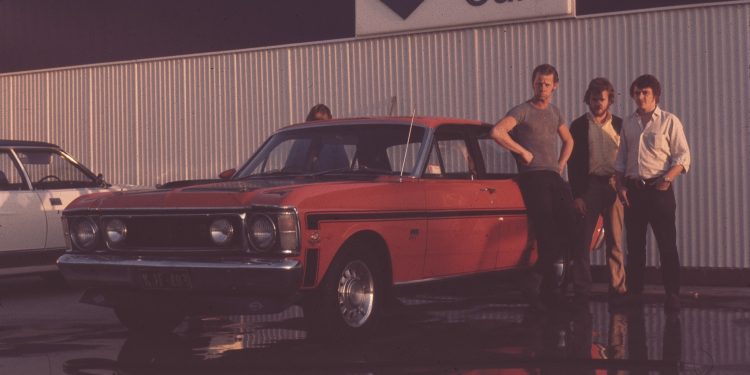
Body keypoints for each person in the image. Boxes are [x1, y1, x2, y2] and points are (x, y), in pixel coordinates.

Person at [491, 63, 577, 310]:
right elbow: (497, 131)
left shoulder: (555, 112)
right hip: (533, 177)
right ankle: (543, 289)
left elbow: (569, 140)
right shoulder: (522, 111)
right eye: (538, 83)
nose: (542, 88)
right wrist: (523, 152)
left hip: (553, 177)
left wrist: (561, 164)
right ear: (533, 83)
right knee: (547, 232)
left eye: (547, 84)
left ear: (555, 86)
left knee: (570, 227)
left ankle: (542, 282)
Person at [615, 74, 691, 312]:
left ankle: (672, 294)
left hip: (659, 191)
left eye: (645, 92)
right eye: (637, 93)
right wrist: (621, 187)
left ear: (655, 95)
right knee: (635, 247)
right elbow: (621, 161)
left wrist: (667, 179)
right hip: (634, 192)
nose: (640, 97)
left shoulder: (669, 121)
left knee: (667, 245)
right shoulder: (628, 123)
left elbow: (682, 157)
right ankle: (635, 293)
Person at [567, 77, 626, 304]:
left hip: (613, 185)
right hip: (589, 186)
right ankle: (582, 291)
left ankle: (618, 290)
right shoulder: (578, 126)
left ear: (609, 100)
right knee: (582, 241)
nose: (597, 103)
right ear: (587, 99)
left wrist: (623, 186)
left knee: (615, 241)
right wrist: (577, 195)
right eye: (593, 99)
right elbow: (573, 164)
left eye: (601, 99)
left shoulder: (620, 125)